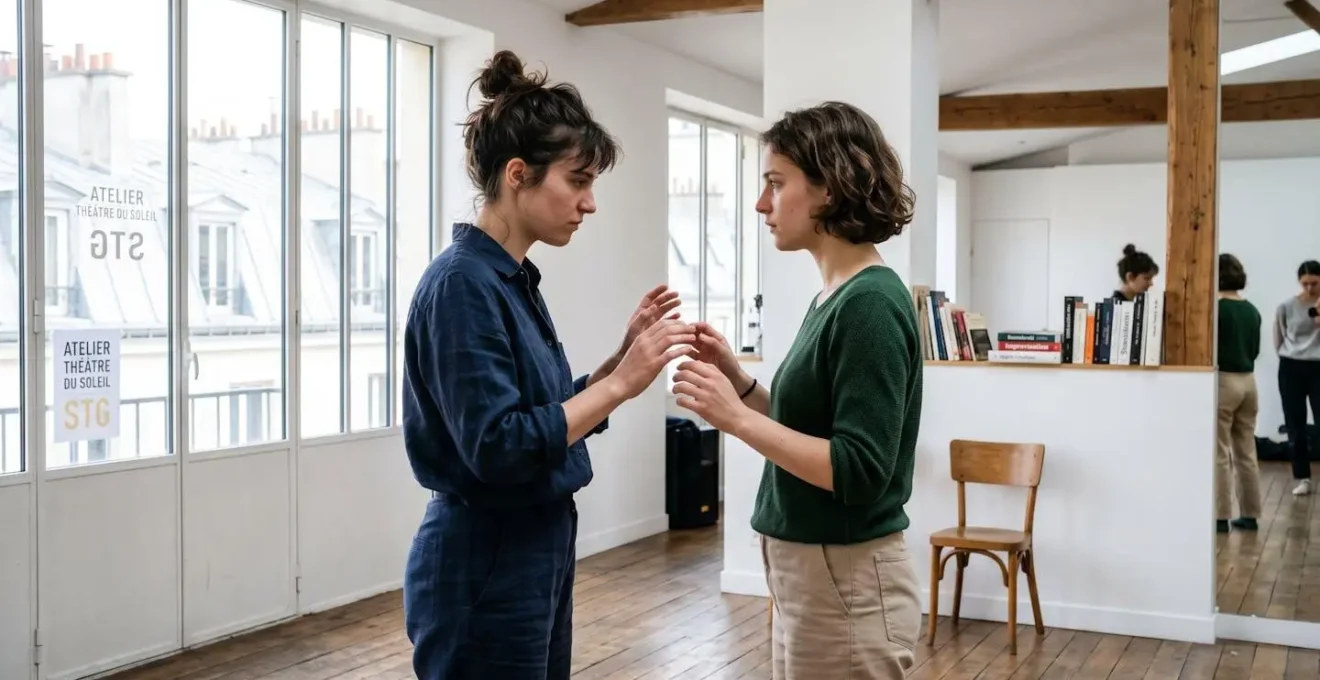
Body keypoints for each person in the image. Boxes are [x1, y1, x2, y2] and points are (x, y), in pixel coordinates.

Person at [400, 50, 695, 679]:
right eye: (577, 181)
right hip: (486, 556)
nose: (589, 203)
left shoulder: (508, 279)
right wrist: (618, 383)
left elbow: (542, 415)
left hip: (534, 545)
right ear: (517, 174)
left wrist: (620, 362)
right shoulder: (462, 285)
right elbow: (500, 447)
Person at [671, 101, 923, 679]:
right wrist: (738, 381)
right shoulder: (835, 296)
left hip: (846, 577)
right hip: (815, 574)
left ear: (829, 187)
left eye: (775, 184)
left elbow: (858, 470)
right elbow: (808, 426)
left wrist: (734, 418)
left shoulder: (870, 307)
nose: (762, 203)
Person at [1215, 253, 1262, 532]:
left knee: (1219, 451)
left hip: (1224, 381)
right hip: (1249, 382)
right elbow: (1255, 350)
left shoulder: (1218, 309)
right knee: (1246, 450)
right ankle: (1251, 513)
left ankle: (1220, 516)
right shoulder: (1252, 309)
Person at [1275, 260, 1320, 497]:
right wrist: (1289, 354)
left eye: (1314, 283)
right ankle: (1303, 477)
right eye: (1305, 284)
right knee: (1295, 424)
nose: (1310, 288)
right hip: (1291, 366)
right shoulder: (1287, 306)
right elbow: (1278, 336)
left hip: (1318, 366)